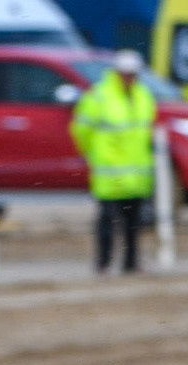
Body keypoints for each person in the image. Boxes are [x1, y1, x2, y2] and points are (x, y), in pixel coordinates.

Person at [70, 49, 157, 275]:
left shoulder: (143, 95)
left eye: (133, 74)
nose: (130, 78)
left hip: (136, 175)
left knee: (133, 224)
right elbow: (81, 130)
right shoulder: (99, 96)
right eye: (126, 74)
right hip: (109, 174)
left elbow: (144, 132)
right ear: (116, 73)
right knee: (107, 221)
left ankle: (131, 263)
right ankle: (103, 263)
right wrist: (93, 155)